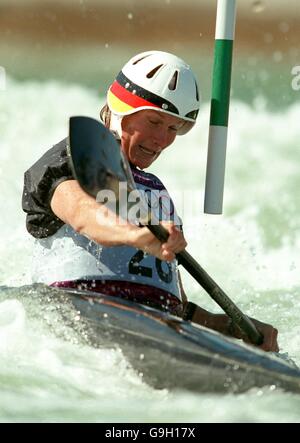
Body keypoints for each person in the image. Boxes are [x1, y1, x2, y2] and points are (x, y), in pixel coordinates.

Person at [22, 50, 279, 352]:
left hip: (155, 327)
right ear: (121, 111)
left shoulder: (156, 191)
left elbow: (176, 307)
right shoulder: (75, 157)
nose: (163, 140)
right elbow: (82, 213)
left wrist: (229, 327)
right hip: (76, 316)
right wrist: (135, 235)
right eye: (154, 122)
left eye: (173, 128)